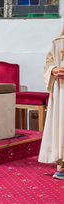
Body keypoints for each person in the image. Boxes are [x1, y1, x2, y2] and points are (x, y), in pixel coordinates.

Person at [38, 27, 64, 179]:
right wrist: (53, 70)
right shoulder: (59, 42)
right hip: (61, 91)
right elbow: (48, 63)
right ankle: (62, 163)